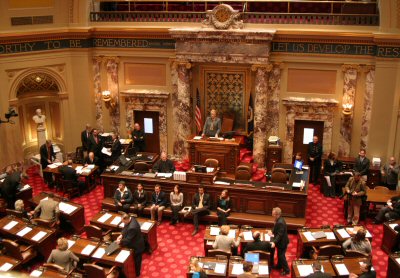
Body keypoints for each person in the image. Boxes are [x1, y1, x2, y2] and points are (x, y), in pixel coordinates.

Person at [269, 207, 289, 276]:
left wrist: (274, 242)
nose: (272, 215)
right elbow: (275, 228)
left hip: (282, 243)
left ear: (277, 214)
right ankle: (279, 266)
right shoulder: (279, 219)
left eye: (273, 214)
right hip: (281, 242)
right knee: (279, 255)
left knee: (281, 256)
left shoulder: (280, 222)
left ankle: (287, 270)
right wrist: (272, 232)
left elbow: (280, 235)